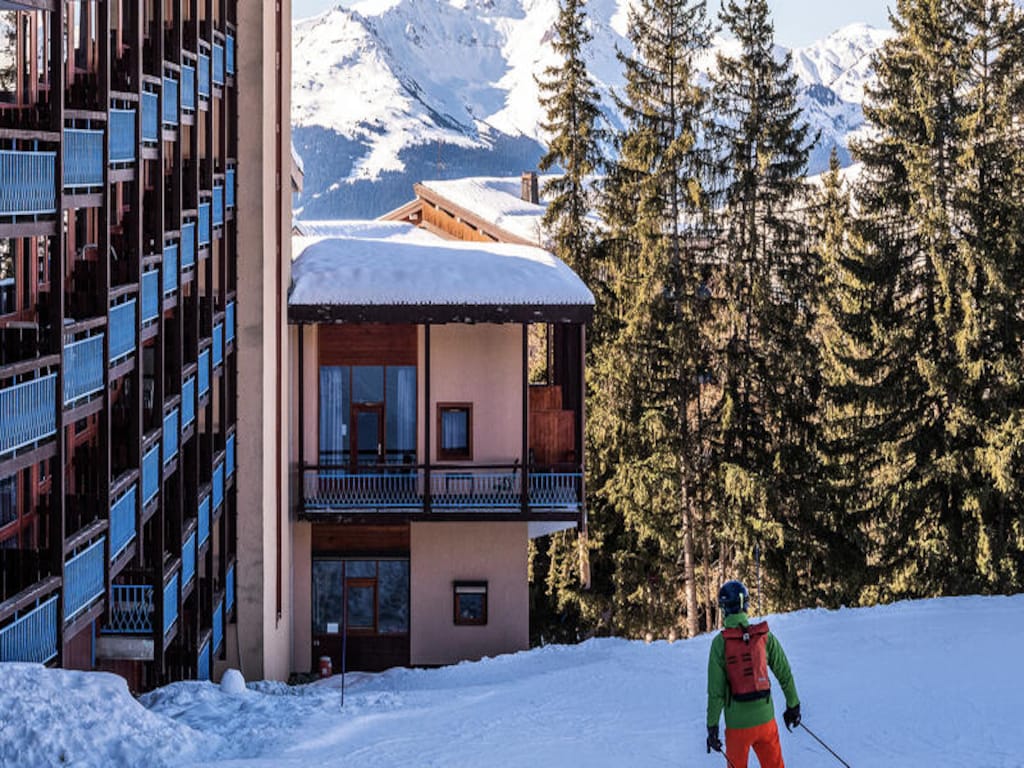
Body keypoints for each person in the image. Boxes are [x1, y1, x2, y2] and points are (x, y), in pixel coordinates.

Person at [705, 580, 800, 768]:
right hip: (766, 722)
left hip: (737, 727)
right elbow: (784, 673)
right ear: (745, 605)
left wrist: (712, 726)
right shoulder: (764, 637)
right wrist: (793, 705)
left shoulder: (720, 644)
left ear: (724, 608)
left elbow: (716, 692)